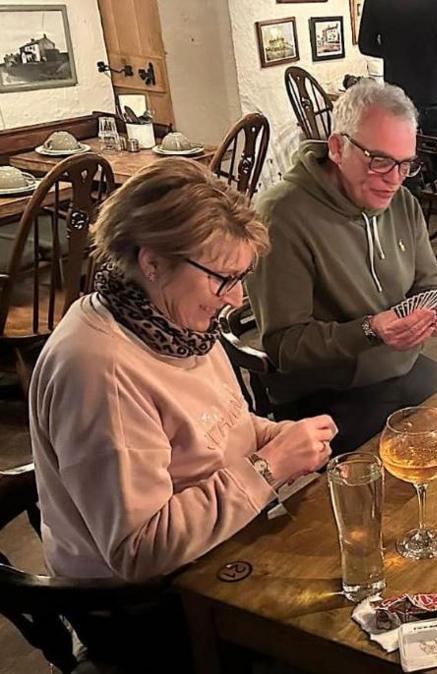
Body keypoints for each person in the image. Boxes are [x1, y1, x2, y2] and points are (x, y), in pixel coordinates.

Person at [29, 159, 336, 667]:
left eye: (242, 278)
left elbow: (218, 425)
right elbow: (139, 550)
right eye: (224, 279)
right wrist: (269, 467)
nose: (236, 299)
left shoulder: (170, 319)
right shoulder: (100, 369)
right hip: (142, 607)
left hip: (217, 548)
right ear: (151, 262)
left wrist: (275, 436)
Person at [249, 79, 437, 454]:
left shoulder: (401, 201)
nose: (394, 180)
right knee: (403, 469)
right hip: (327, 393)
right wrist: (369, 330)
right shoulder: (282, 215)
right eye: (379, 160)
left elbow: (430, 280)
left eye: (406, 165)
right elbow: (284, 347)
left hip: (400, 368)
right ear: (337, 147)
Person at [358, 0, 437, 138]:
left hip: (396, 94)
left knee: (397, 154)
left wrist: (394, 52)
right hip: (431, 93)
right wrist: (433, 51)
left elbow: (366, 45)